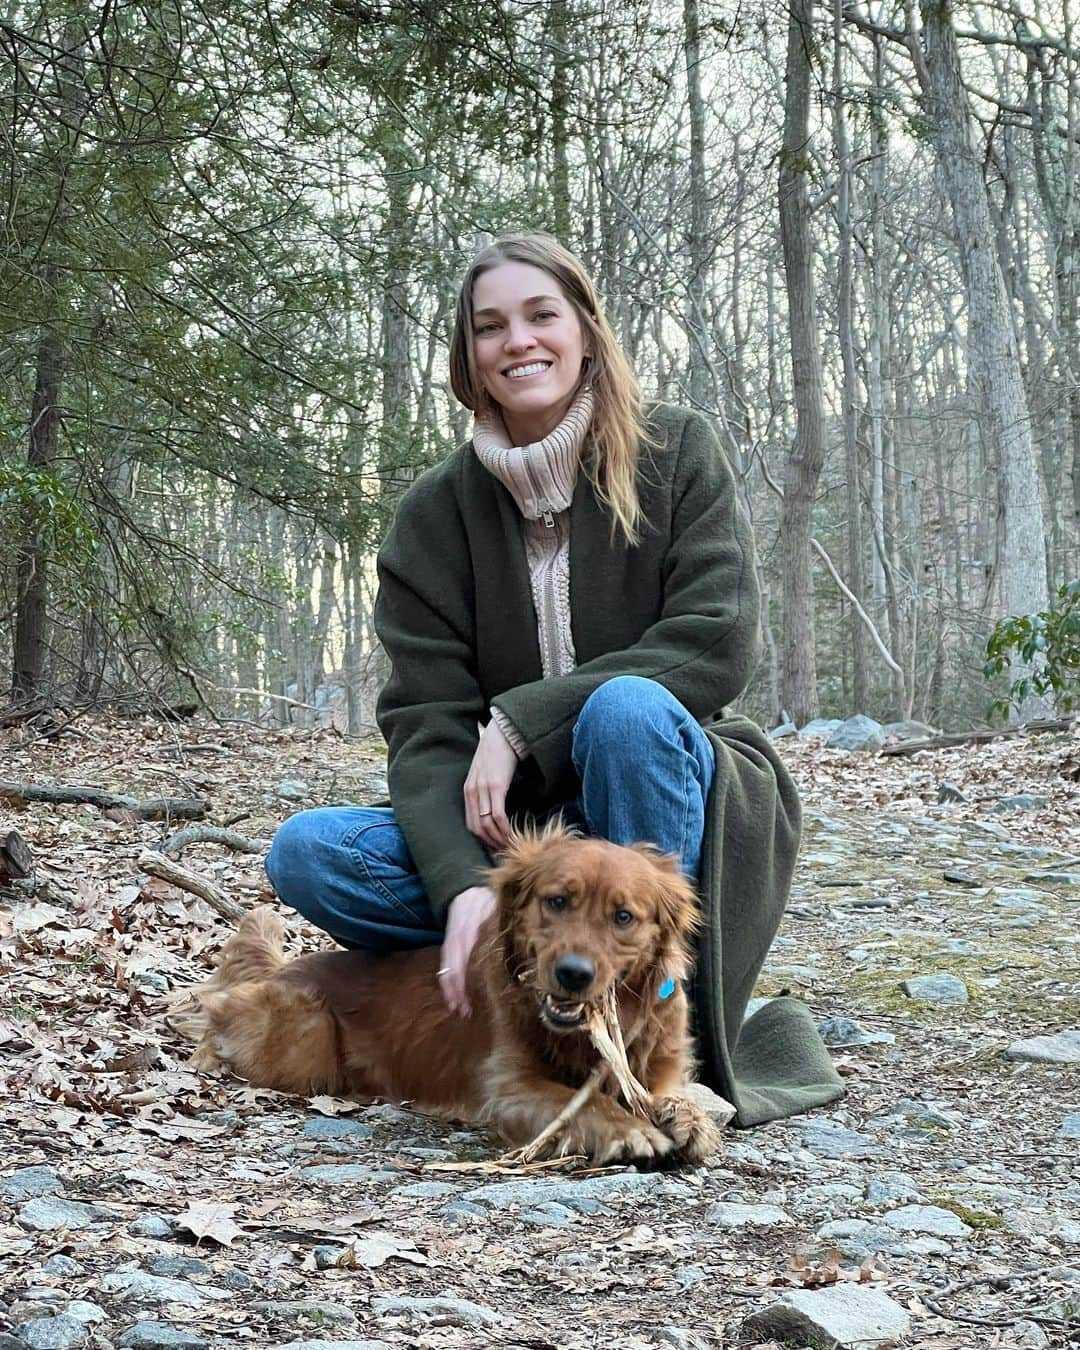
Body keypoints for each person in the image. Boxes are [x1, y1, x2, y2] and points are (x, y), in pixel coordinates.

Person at [265, 233, 843, 1125]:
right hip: (522, 846)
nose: (519, 341)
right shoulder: (432, 514)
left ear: (584, 331)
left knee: (626, 710)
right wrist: (464, 888)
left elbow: (716, 638)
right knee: (308, 853)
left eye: (542, 315)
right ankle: (529, 988)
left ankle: (652, 1026)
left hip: (655, 784)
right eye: (490, 326)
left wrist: (521, 722)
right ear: (468, 356)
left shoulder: (677, 450)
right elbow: (426, 726)